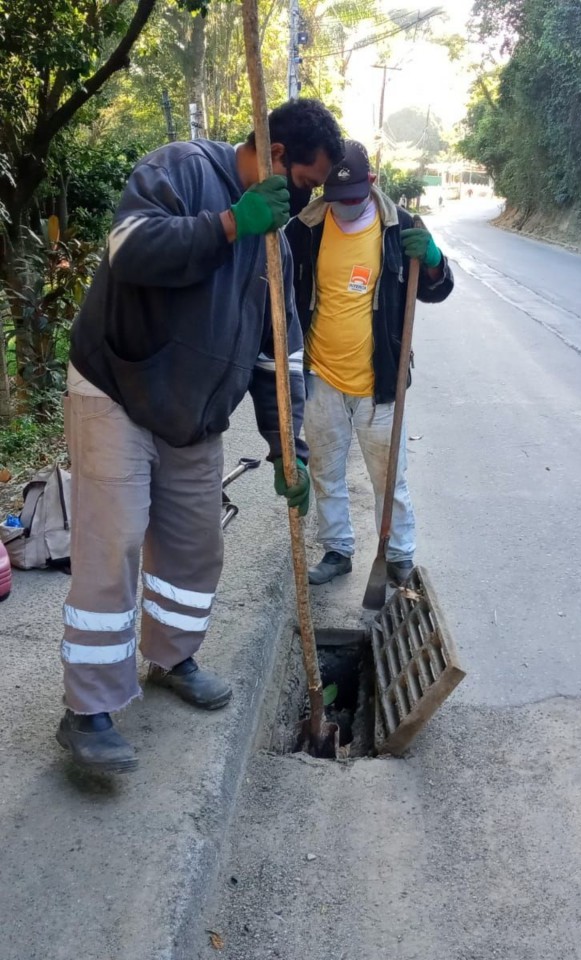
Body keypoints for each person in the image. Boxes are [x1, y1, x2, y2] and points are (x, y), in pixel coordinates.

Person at [58, 98, 344, 774]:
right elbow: (129, 249)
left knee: (195, 544)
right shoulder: (182, 170)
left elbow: (279, 359)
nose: (308, 197)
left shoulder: (277, 243)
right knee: (117, 537)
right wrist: (225, 226)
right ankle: (88, 710)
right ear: (277, 156)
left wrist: (288, 449)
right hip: (117, 385)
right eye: (307, 180)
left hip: (193, 410)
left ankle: (171, 656)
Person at [283, 139, 454, 587]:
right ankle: (337, 549)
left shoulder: (400, 229)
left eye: (354, 199)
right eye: (335, 200)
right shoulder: (306, 229)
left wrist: (434, 262)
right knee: (325, 472)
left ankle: (397, 554)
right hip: (320, 378)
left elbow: (436, 289)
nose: (344, 208)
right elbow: (279, 286)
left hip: (381, 381)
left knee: (388, 477)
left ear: (371, 184)